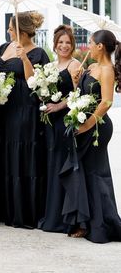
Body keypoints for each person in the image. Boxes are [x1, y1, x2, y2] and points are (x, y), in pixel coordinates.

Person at [60, 29, 121, 242]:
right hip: (82, 125)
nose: (88, 46)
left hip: (97, 128)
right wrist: (77, 82)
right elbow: (83, 95)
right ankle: (83, 223)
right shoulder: (92, 66)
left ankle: (102, 224)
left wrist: (87, 125)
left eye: (90, 42)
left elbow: (106, 102)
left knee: (96, 174)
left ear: (100, 46)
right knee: (82, 173)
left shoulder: (106, 70)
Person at [0, 11, 50, 228]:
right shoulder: (2, 48)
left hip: (25, 109)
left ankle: (25, 212)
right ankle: (6, 210)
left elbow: (34, 82)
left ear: (23, 32)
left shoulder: (38, 53)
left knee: (23, 154)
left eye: (11, 28)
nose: (8, 31)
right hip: (4, 109)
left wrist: (24, 57)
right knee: (5, 154)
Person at [38, 25, 80, 233]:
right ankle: (51, 215)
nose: (64, 46)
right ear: (54, 45)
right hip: (49, 121)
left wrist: (58, 106)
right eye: (60, 42)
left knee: (62, 165)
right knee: (50, 164)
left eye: (68, 43)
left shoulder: (75, 65)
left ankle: (65, 218)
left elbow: (76, 95)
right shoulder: (50, 65)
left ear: (72, 46)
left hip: (64, 120)